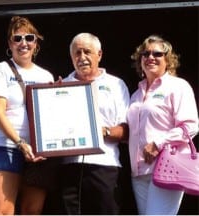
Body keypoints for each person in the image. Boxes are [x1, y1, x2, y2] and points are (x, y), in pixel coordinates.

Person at [0, 16, 57, 215]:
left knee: (31, 211)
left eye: (29, 38)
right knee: (3, 211)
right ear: (10, 43)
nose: (23, 43)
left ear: (36, 43)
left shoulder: (46, 76)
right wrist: (19, 142)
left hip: (38, 149)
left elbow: (51, 115)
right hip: (6, 146)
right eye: (17, 38)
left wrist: (61, 96)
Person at [127, 35, 199, 215]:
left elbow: (190, 125)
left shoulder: (177, 86)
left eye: (157, 53)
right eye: (145, 53)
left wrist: (158, 143)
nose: (150, 57)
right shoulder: (136, 95)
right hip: (139, 172)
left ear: (168, 60)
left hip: (167, 167)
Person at [60, 32, 130, 214]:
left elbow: (127, 131)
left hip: (105, 165)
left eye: (87, 52)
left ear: (99, 55)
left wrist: (102, 131)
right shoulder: (59, 86)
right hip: (70, 166)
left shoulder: (116, 85)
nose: (82, 57)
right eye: (77, 53)